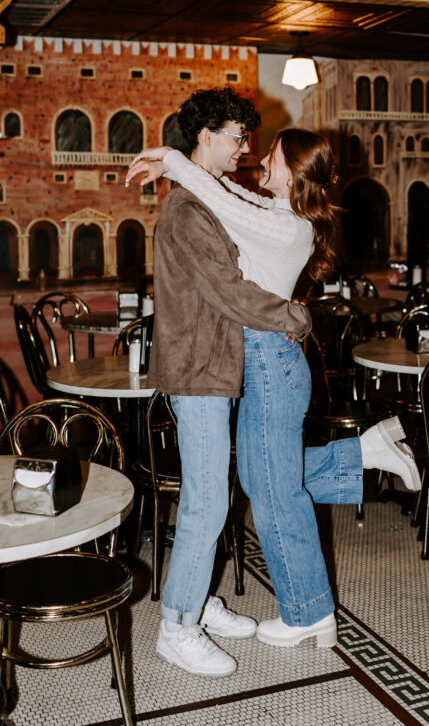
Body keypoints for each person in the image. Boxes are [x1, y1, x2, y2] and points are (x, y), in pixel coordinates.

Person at [127, 117, 420, 654]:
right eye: (243, 141)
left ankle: (308, 613)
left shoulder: (289, 227)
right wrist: (183, 165)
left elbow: (229, 204)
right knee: (258, 476)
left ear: (294, 172)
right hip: (264, 359)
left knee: (272, 488)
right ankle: (365, 453)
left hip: (270, 360)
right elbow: (229, 194)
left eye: (273, 155)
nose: (257, 157)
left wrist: (171, 159)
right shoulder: (278, 211)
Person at [129, 88, 313, 679]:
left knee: (214, 492)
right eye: (236, 136)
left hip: (213, 363)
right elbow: (230, 292)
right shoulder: (187, 210)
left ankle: (197, 599)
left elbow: (240, 204)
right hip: (199, 368)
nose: (244, 149)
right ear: (205, 136)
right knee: (207, 502)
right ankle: (177, 625)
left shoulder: (203, 197)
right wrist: (293, 316)